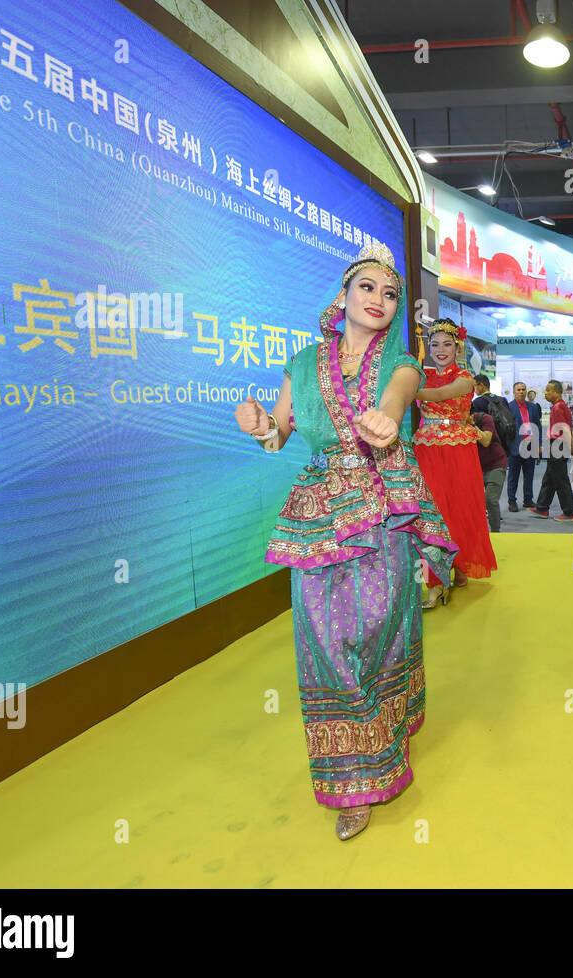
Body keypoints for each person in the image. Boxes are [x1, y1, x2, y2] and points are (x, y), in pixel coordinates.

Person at [234, 243, 456, 841]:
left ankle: (390, 724)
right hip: (317, 518)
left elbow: (399, 397)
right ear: (344, 294)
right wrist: (261, 428)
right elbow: (279, 436)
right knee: (322, 638)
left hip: (382, 511)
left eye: (390, 293)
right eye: (368, 288)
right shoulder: (303, 364)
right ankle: (353, 777)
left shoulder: (402, 363)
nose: (379, 300)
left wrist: (384, 417)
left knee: (381, 626)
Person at [413, 319, 498, 609]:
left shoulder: (464, 378)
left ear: (457, 346)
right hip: (427, 449)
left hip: (458, 451)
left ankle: (460, 564)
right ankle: (434, 583)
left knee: (459, 509)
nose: (440, 350)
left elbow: (437, 395)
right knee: (430, 512)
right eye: (434, 344)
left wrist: (406, 388)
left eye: (447, 344)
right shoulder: (419, 374)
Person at [532, 379, 573, 520]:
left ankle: (570, 512)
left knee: (560, 479)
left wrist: (570, 447)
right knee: (550, 477)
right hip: (557, 444)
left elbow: (564, 429)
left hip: (558, 444)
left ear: (557, 392)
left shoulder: (558, 408)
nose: (545, 393)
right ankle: (542, 508)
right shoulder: (560, 406)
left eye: (548, 390)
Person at [506, 380, 542, 512]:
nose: (521, 392)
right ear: (514, 392)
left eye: (523, 389)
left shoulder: (532, 407)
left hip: (530, 447)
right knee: (513, 477)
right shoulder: (509, 407)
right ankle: (511, 501)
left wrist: (539, 445)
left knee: (529, 475)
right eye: (518, 390)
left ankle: (528, 499)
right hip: (515, 447)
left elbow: (537, 426)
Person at [474, 408, 508, 532]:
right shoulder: (456, 424)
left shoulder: (484, 419)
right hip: (476, 466)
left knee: (490, 499)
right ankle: (478, 533)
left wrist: (471, 425)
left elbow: (486, 441)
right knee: (474, 501)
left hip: (496, 464)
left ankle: (495, 531)